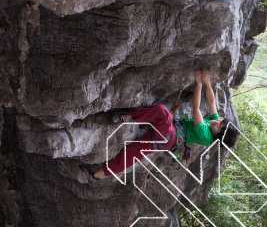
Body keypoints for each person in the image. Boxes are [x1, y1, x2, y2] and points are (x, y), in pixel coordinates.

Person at [80, 70, 239, 183]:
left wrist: (199, 84)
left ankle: (127, 117)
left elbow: (196, 107)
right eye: (220, 120)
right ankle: (95, 176)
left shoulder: (206, 136)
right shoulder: (213, 124)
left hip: (169, 136)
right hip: (167, 135)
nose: (216, 121)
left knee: (163, 113)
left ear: (217, 134)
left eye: (218, 126)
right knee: (133, 153)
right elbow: (212, 102)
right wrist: (208, 83)